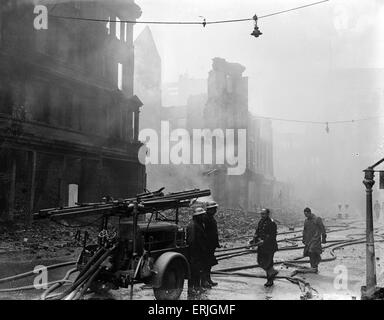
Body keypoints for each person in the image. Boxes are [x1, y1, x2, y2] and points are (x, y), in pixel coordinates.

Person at [250, 208, 279, 287]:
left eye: (263, 214)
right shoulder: (261, 221)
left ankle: (270, 280)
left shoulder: (272, 223)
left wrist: (264, 241)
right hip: (261, 246)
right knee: (260, 261)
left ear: (267, 214)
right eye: (261, 214)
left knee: (268, 263)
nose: (262, 215)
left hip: (270, 246)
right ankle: (273, 272)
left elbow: (273, 236)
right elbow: (258, 231)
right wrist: (254, 239)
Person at [186, 207, 209, 294]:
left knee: (199, 270)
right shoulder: (193, 225)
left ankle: (197, 287)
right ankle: (191, 289)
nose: (203, 217)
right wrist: (194, 254)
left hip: (199, 252)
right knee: (193, 271)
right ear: (197, 216)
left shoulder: (199, 224)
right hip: (194, 253)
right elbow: (191, 241)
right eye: (202, 215)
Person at [302, 207, 327, 273]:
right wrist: (303, 238)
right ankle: (314, 266)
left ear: (310, 213)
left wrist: (324, 237)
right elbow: (304, 230)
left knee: (312, 251)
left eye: (306, 214)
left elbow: (322, 228)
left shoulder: (317, 219)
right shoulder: (306, 221)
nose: (306, 216)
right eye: (305, 215)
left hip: (316, 239)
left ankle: (314, 266)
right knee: (310, 253)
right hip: (308, 240)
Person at [203, 201, 220, 287]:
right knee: (205, 263)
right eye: (214, 209)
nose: (215, 210)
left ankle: (208, 279)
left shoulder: (211, 217)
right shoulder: (205, 218)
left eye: (215, 209)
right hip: (206, 245)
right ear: (209, 209)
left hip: (211, 245)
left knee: (209, 263)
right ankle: (204, 281)